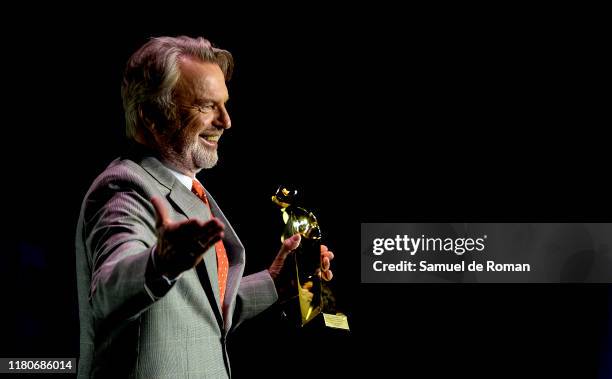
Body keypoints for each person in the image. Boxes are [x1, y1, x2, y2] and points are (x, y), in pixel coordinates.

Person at [75, 36, 335, 378]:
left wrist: (274, 283)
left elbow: (199, 310)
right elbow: (108, 289)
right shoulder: (125, 188)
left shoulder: (186, 188)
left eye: (224, 104)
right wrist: (157, 265)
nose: (226, 121)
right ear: (151, 115)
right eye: (205, 106)